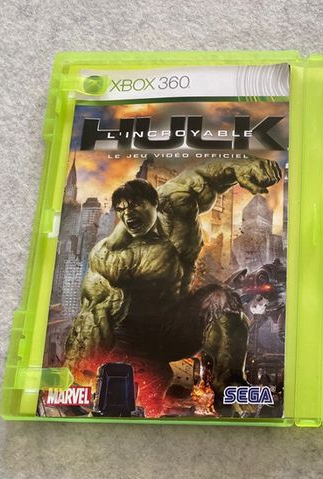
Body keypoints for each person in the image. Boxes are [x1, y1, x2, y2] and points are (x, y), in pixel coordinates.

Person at [64, 157, 282, 416]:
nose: (128, 214)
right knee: (151, 394)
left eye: (135, 206)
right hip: (130, 346)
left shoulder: (175, 209)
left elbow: (200, 178)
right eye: (121, 209)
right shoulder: (111, 256)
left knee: (222, 300)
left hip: (174, 331)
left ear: (154, 202)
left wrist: (240, 168)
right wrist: (79, 379)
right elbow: (93, 317)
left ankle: (228, 385)